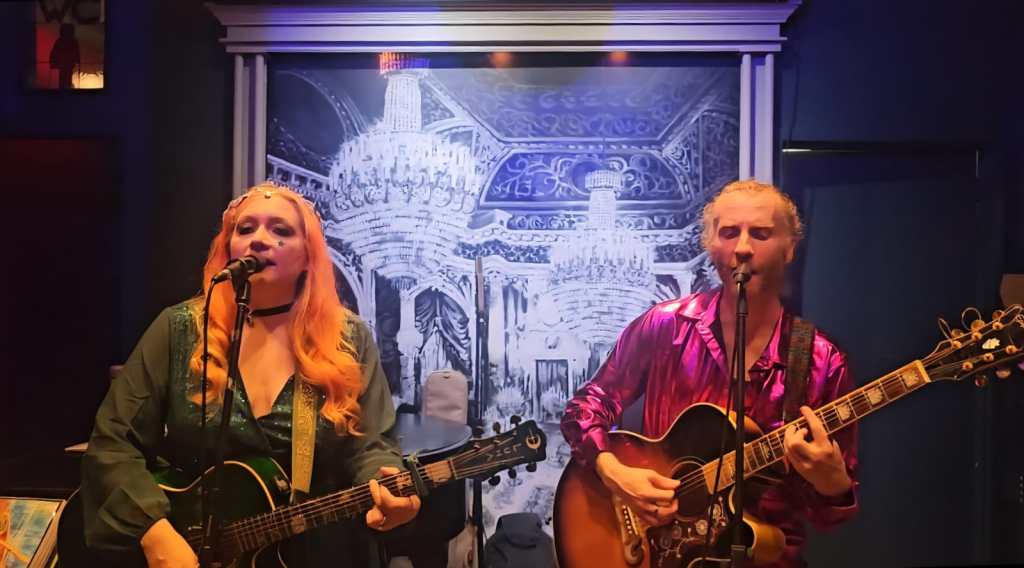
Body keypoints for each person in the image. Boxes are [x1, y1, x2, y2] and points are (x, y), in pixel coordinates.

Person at [81, 182, 420, 567]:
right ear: (229, 248)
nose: (259, 239)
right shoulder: (179, 329)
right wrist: (154, 534)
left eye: (281, 230)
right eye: (245, 229)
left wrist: (387, 484)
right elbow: (113, 442)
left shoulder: (348, 337)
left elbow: (372, 444)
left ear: (308, 256)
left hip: (314, 552)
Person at [561, 179, 857, 567]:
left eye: (761, 234)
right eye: (729, 233)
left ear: (789, 248)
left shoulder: (821, 360)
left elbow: (827, 517)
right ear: (711, 245)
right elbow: (585, 407)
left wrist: (832, 484)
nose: (743, 248)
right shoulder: (665, 326)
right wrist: (613, 472)